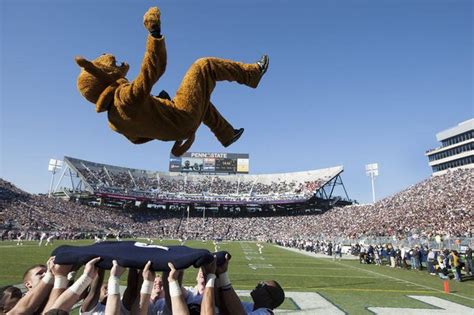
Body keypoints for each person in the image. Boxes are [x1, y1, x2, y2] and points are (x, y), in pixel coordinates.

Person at [75, 6, 269, 157]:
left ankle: (226, 134)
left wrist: (161, 109)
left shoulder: (114, 122)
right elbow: (152, 70)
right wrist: (154, 35)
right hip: (181, 119)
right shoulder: (124, 97)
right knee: (204, 66)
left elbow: (139, 138)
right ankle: (251, 74)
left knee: (199, 99)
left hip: (178, 127)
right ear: (102, 77)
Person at [216, 254, 284, 314]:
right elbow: (227, 304)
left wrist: (223, 274)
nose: (258, 284)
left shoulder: (265, 313)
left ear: (268, 298)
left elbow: (237, 312)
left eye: (263, 285)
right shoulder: (252, 306)